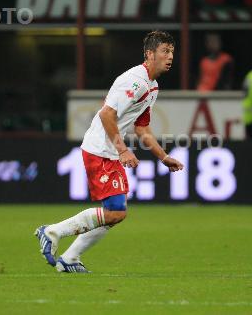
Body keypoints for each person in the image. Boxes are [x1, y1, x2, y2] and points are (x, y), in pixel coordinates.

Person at [35, 31, 184, 273]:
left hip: (108, 151)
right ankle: (52, 232)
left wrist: (163, 157)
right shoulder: (135, 81)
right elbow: (106, 114)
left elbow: (142, 127)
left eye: (172, 52)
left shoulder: (152, 86)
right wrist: (123, 149)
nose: (170, 57)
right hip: (100, 149)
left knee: (114, 212)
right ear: (149, 54)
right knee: (116, 211)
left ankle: (70, 258)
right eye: (165, 51)